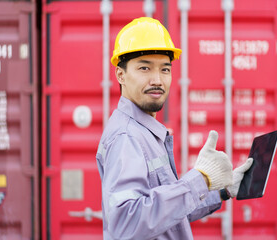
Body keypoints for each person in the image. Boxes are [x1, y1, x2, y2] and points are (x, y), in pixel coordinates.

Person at [96, 17, 253, 240]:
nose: (157, 80)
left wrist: (220, 190)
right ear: (120, 75)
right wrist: (200, 179)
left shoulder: (145, 131)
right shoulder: (127, 136)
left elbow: (166, 217)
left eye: (165, 69)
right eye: (144, 68)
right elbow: (126, 224)